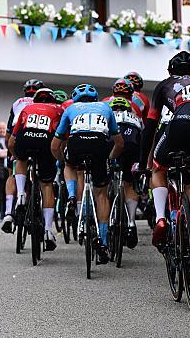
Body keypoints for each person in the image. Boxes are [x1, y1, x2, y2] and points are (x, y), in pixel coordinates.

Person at [140, 51, 190, 287]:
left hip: (180, 125)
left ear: (170, 71)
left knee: (158, 167)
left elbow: (151, 125)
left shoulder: (166, 85)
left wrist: (142, 158)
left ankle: (162, 219)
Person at [51, 84, 123, 265]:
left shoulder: (70, 108)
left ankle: (73, 197)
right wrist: (111, 159)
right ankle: (104, 242)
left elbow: (55, 145)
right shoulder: (106, 107)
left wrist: (62, 161)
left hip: (77, 144)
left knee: (70, 166)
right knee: (101, 195)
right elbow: (119, 143)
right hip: (100, 145)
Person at [5, 88, 65, 250]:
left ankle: (21, 195)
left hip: (25, 141)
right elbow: (62, 137)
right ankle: (47, 230)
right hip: (46, 143)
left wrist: (15, 155)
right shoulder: (59, 109)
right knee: (46, 185)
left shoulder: (26, 108)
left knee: (20, 159)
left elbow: (11, 141)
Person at [2, 79, 44, 219]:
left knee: (11, 175)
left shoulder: (17, 103)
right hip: (39, 137)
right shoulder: (44, 102)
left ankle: (9, 211)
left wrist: (11, 150)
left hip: (18, 137)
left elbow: (8, 133)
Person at [107, 96, 142, 248]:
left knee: (102, 185)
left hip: (112, 144)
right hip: (132, 145)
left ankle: (106, 219)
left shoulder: (107, 115)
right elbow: (143, 137)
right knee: (129, 183)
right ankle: (132, 223)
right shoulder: (134, 117)